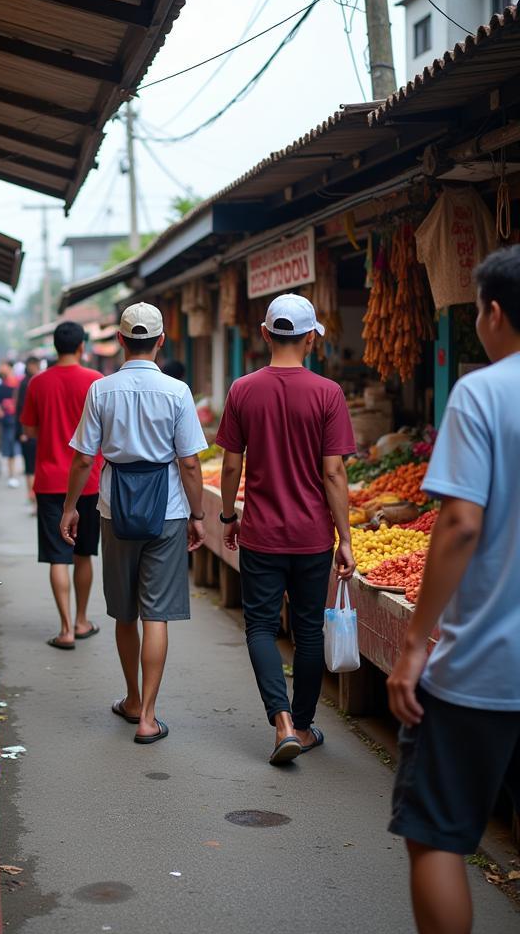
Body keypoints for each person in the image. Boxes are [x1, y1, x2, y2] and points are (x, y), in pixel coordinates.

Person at [386, 247, 520, 934]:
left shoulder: (484, 392)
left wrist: (413, 647)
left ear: (493, 313)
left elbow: (461, 522)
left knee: (437, 835)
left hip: (486, 670)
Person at [215, 293, 356, 766]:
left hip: (260, 534)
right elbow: (334, 473)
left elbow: (232, 464)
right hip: (313, 536)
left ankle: (280, 720)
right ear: (312, 336)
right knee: (308, 631)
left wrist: (228, 517)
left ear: (264, 334)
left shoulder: (242, 389)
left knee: (259, 625)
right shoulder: (327, 393)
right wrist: (346, 539)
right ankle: (303, 723)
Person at [62, 304, 207, 744]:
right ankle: (147, 715)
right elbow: (190, 464)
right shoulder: (178, 392)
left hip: (114, 508)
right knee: (156, 613)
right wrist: (198, 517)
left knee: (125, 612)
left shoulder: (101, 391)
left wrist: (70, 507)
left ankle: (129, 698)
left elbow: (86, 457)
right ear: (162, 340)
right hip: (168, 510)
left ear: (121, 341)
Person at [20, 324, 103, 650]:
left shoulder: (38, 382)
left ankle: (66, 629)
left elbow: (28, 429)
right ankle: (82, 621)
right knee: (84, 554)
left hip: (51, 480)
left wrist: (52, 433)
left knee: (59, 555)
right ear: (82, 346)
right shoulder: (95, 380)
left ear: (55, 347)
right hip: (89, 481)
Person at [16, 356, 41, 511]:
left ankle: (33, 500)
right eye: (36, 365)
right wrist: (23, 431)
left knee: (31, 468)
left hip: (32, 431)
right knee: (31, 468)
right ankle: (33, 500)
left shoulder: (33, 382)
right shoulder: (30, 383)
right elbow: (21, 409)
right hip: (30, 431)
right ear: (31, 365)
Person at [0, 362, 21, 487]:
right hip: (7, 420)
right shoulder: (0, 386)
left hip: (17, 419)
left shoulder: (18, 383)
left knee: (15, 446)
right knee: (9, 446)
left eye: (4, 367)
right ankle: (12, 474)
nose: (2, 369)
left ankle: (16, 474)